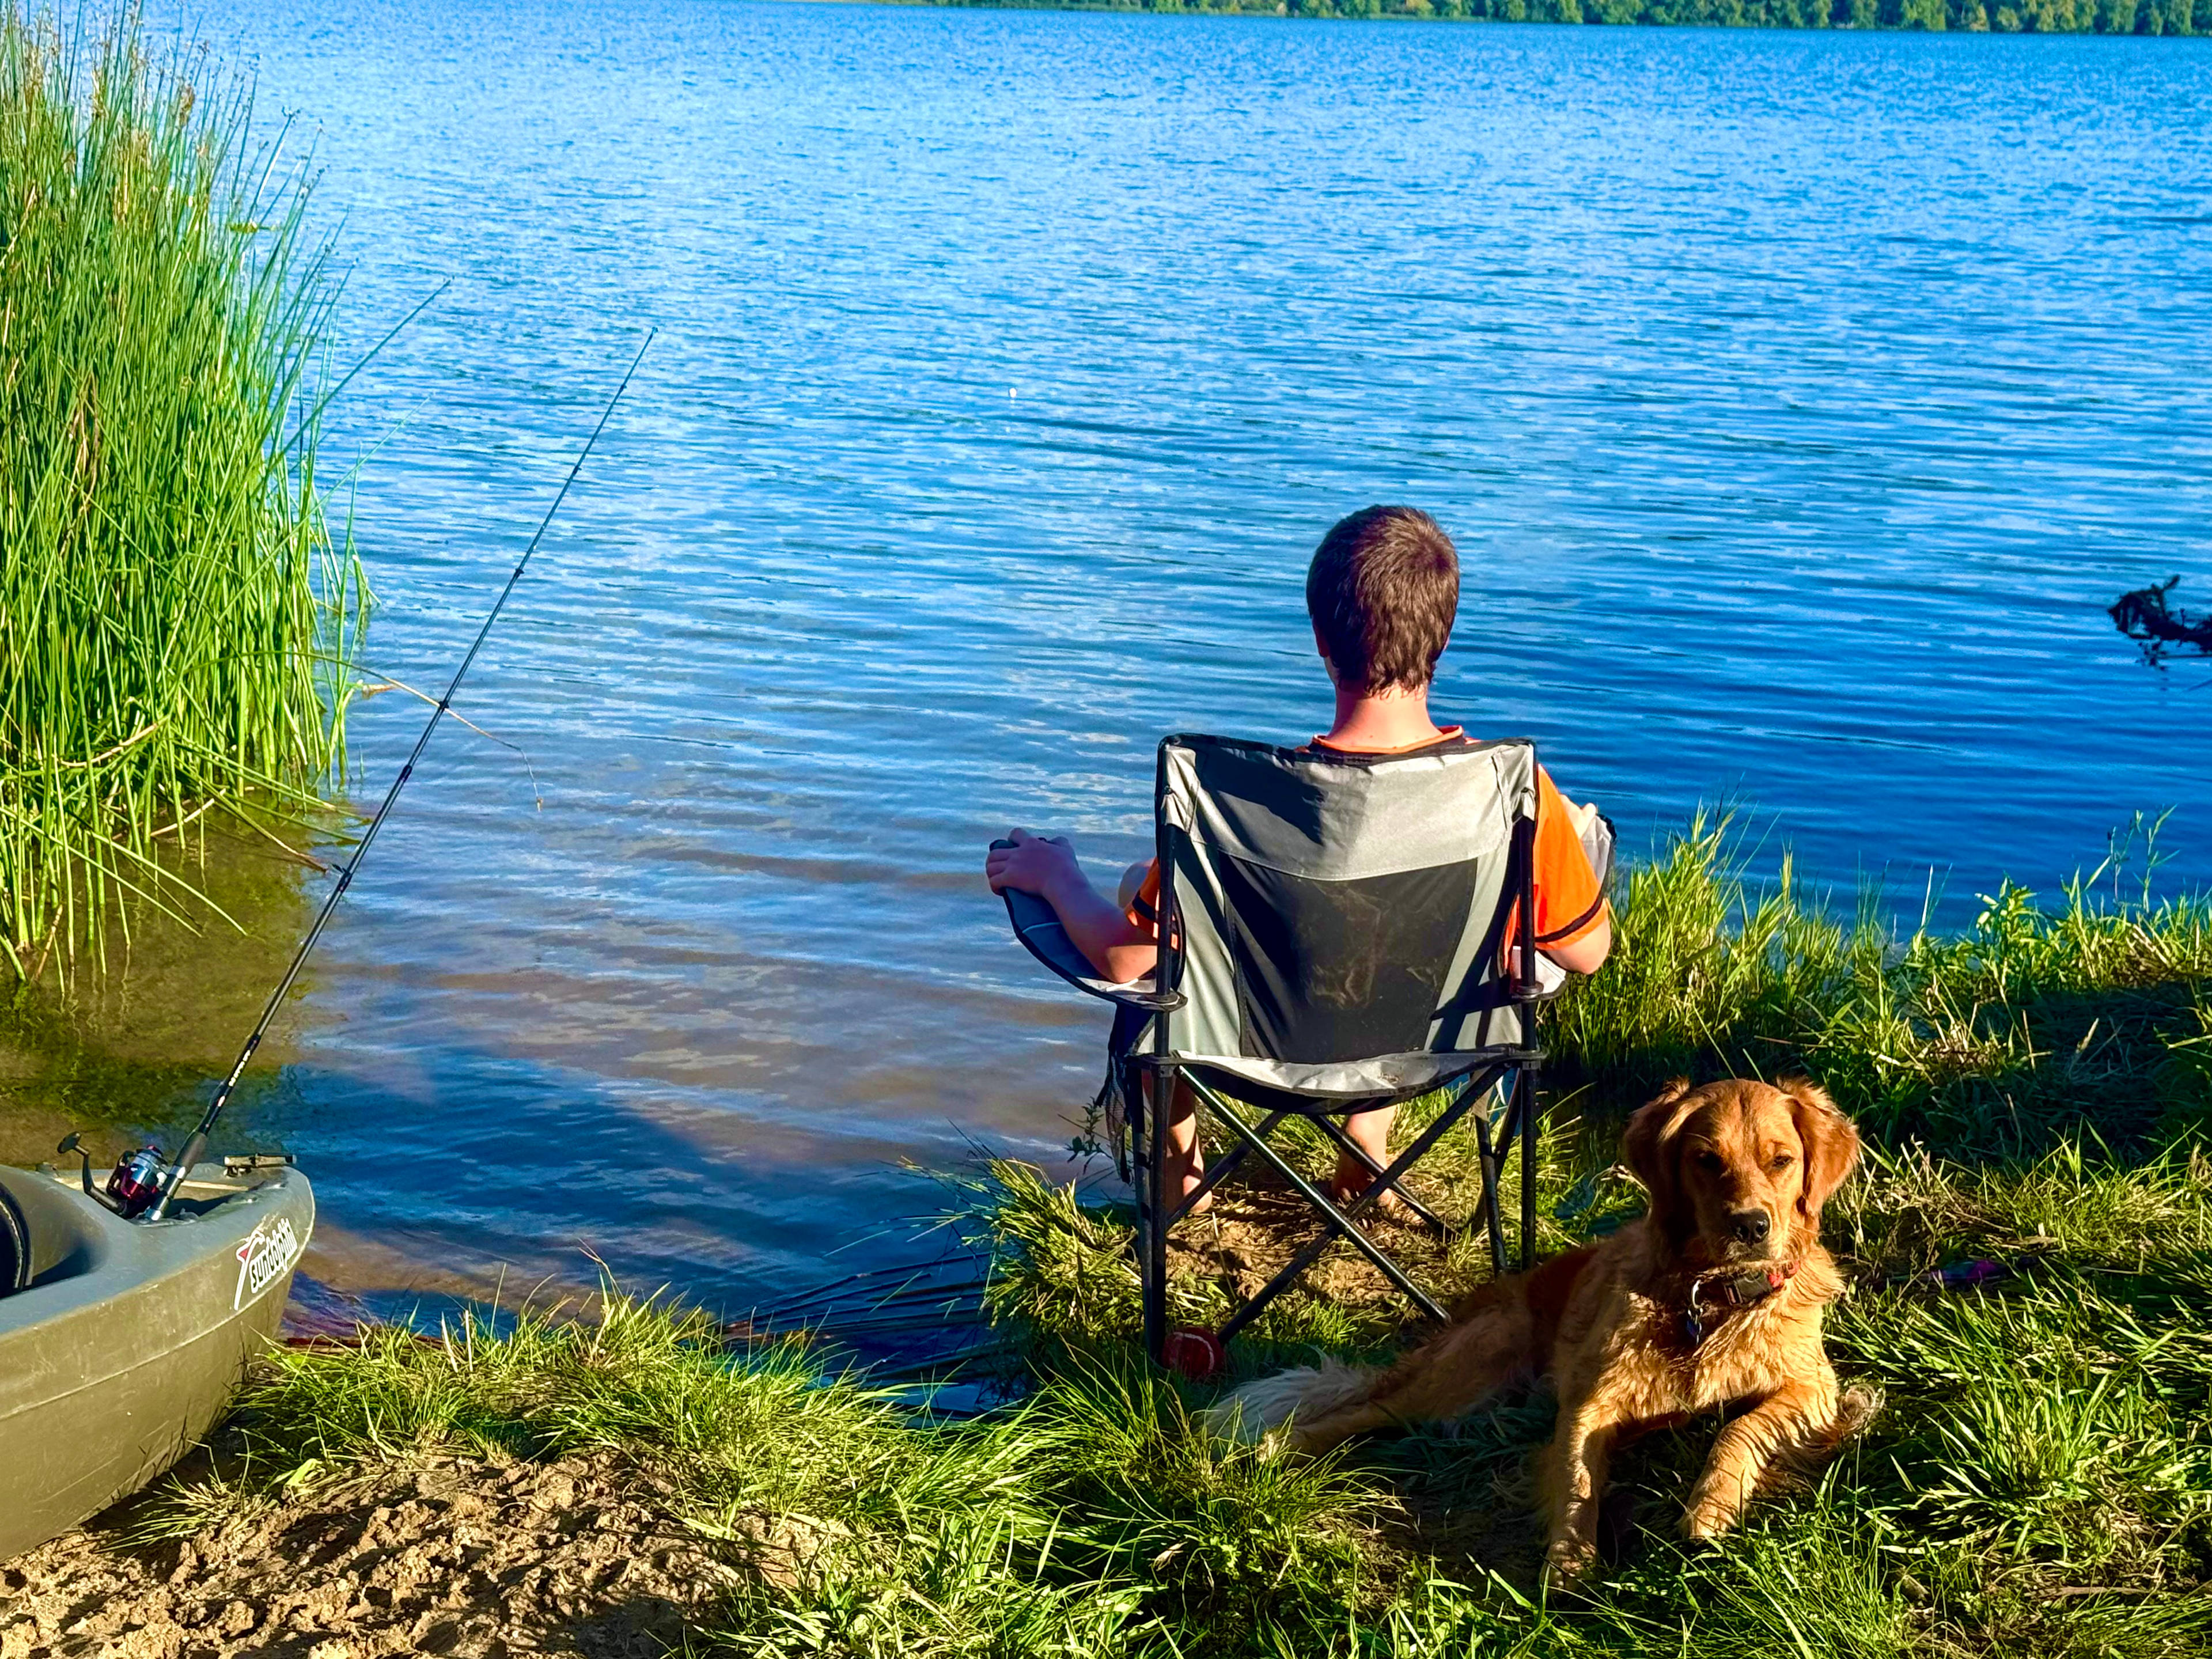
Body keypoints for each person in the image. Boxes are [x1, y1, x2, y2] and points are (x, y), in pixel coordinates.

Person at [985, 505, 1612, 1211]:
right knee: (1406, 925)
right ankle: (1365, 1145)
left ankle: (1182, 1178)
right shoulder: (1511, 793)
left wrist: (1060, 877)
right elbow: (1587, 952)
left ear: (1320, 639)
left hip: (1254, 1059)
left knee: (1149, 908)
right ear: (1444, 635)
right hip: (1423, 1056)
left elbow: (1126, 964)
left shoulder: (1238, 800)